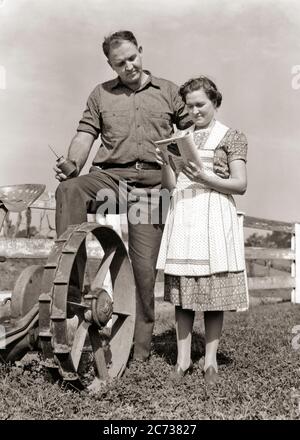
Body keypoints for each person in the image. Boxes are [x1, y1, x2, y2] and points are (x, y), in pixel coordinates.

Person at [54, 30, 192, 362]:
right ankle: (72, 285)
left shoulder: (170, 92)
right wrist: (73, 163)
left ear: (141, 52)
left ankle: (139, 352)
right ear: (110, 64)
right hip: (112, 182)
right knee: (69, 189)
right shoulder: (100, 95)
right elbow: (83, 136)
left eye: (132, 58)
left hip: (151, 189)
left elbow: (192, 133)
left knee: (144, 272)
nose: (128, 66)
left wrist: (183, 165)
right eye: (120, 63)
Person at [156, 76, 248, 385]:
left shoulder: (230, 136)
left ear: (215, 103)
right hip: (184, 214)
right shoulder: (181, 137)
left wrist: (206, 178)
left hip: (213, 213)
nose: (195, 112)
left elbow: (240, 184)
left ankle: (210, 362)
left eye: (201, 105)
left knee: (212, 292)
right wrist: (166, 162)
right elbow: (171, 186)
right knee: (184, 293)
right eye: (190, 106)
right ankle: (183, 360)